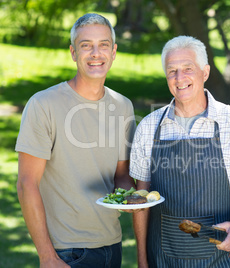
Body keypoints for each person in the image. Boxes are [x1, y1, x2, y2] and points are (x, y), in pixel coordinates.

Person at [15, 13, 136, 267]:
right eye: (85, 45)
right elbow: (27, 184)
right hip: (66, 251)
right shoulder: (43, 104)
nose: (95, 53)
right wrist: (47, 257)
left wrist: (130, 197)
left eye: (103, 45)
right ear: (73, 52)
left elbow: (121, 175)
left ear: (113, 52)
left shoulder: (123, 106)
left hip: (112, 246)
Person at [130, 35, 230, 267]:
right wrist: (142, 260)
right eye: (172, 71)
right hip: (164, 259)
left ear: (205, 73)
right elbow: (140, 202)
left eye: (188, 68)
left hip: (224, 259)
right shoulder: (148, 127)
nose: (180, 78)